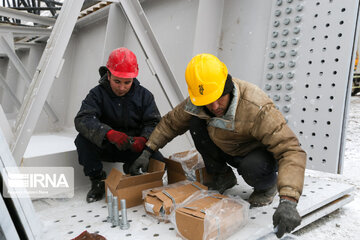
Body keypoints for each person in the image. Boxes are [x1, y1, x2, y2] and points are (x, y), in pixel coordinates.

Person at [130, 54, 306, 238]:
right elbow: (170, 123)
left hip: (258, 156)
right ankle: (222, 176)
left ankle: (266, 187)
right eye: (207, 101)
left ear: (227, 86)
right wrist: (148, 150)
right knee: (195, 123)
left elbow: (290, 150)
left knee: (253, 167)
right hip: (229, 147)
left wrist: (288, 201)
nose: (214, 106)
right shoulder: (199, 102)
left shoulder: (256, 106)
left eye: (219, 97)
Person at [74, 47, 163, 203]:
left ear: (134, 77)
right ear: (108, 75)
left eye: (127, 82)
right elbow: (82, 119)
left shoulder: (145, 96)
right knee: (82, 140)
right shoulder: (96, 94)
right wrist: (108, 134)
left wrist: (143, 140)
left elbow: (154, 123)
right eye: (117, 81)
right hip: (106, 145)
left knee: (159, 161)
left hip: (133, 147)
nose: (122, 87)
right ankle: (97, 181)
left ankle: (132, 169)